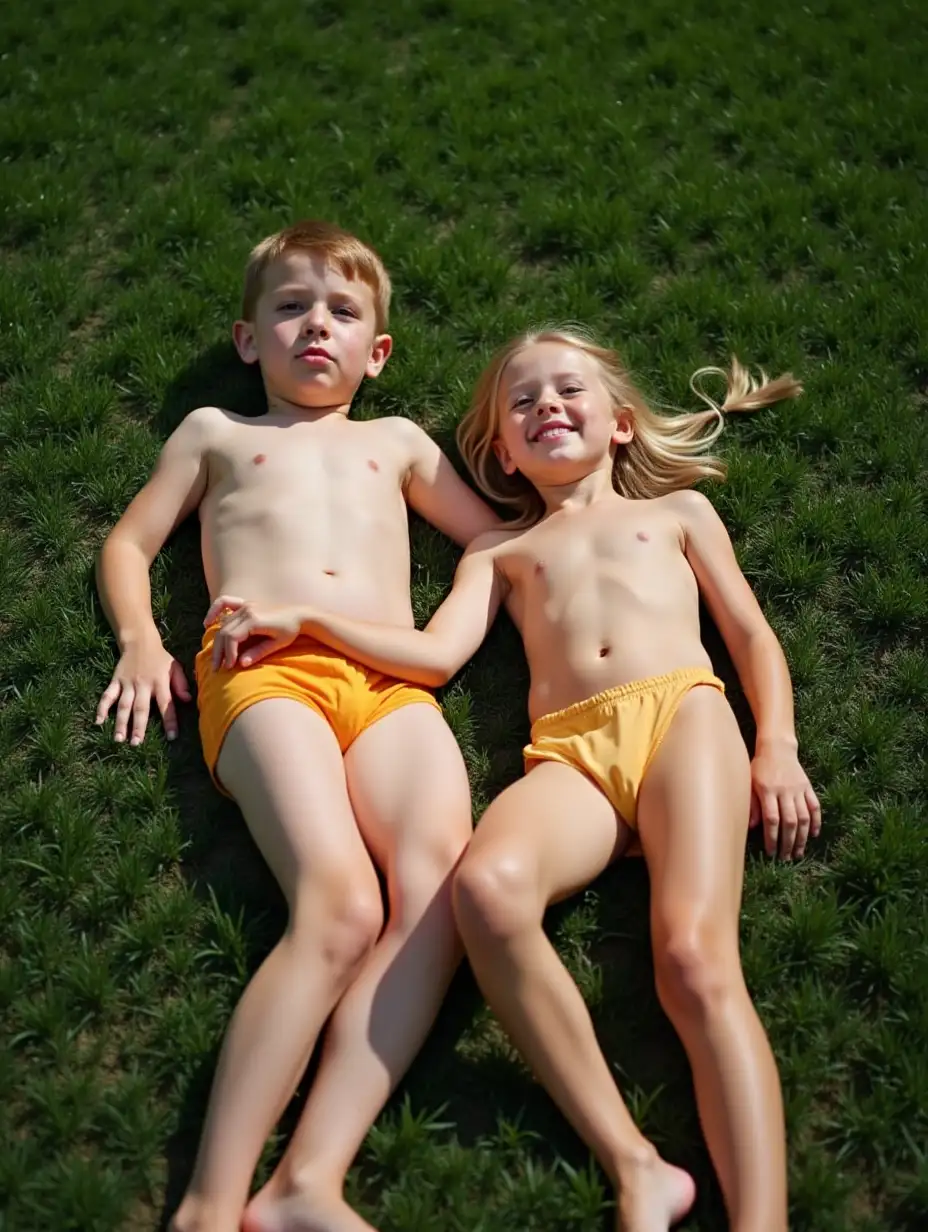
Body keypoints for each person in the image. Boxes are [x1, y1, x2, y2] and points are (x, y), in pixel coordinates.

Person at [208, 326, 822, 1232]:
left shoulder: (680, 513)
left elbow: (751, 637)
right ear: (501, 450)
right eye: (522, 404)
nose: (547, 409)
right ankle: (635, 1165)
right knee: (484, 890)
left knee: (692, 959)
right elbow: (432, 657)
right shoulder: (497, 551)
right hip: (568, 752)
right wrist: (308, 620)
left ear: (618, 423)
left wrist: (776, 742)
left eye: (569, 391)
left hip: (683, 716)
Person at [94, 219, 501, 1232]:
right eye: (290, 307)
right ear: (246, 339)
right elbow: (130, 541)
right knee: (338, 902)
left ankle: (305, 1180)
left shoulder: (397, 442)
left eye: (342, 310)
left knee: (440, 889)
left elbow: (493, 537)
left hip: (393, 682)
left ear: (378, 351)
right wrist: (141, 640)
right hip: (263, 669)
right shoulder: (215, 435)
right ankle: (207, 1203)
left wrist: (449, 631)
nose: (315, 325)